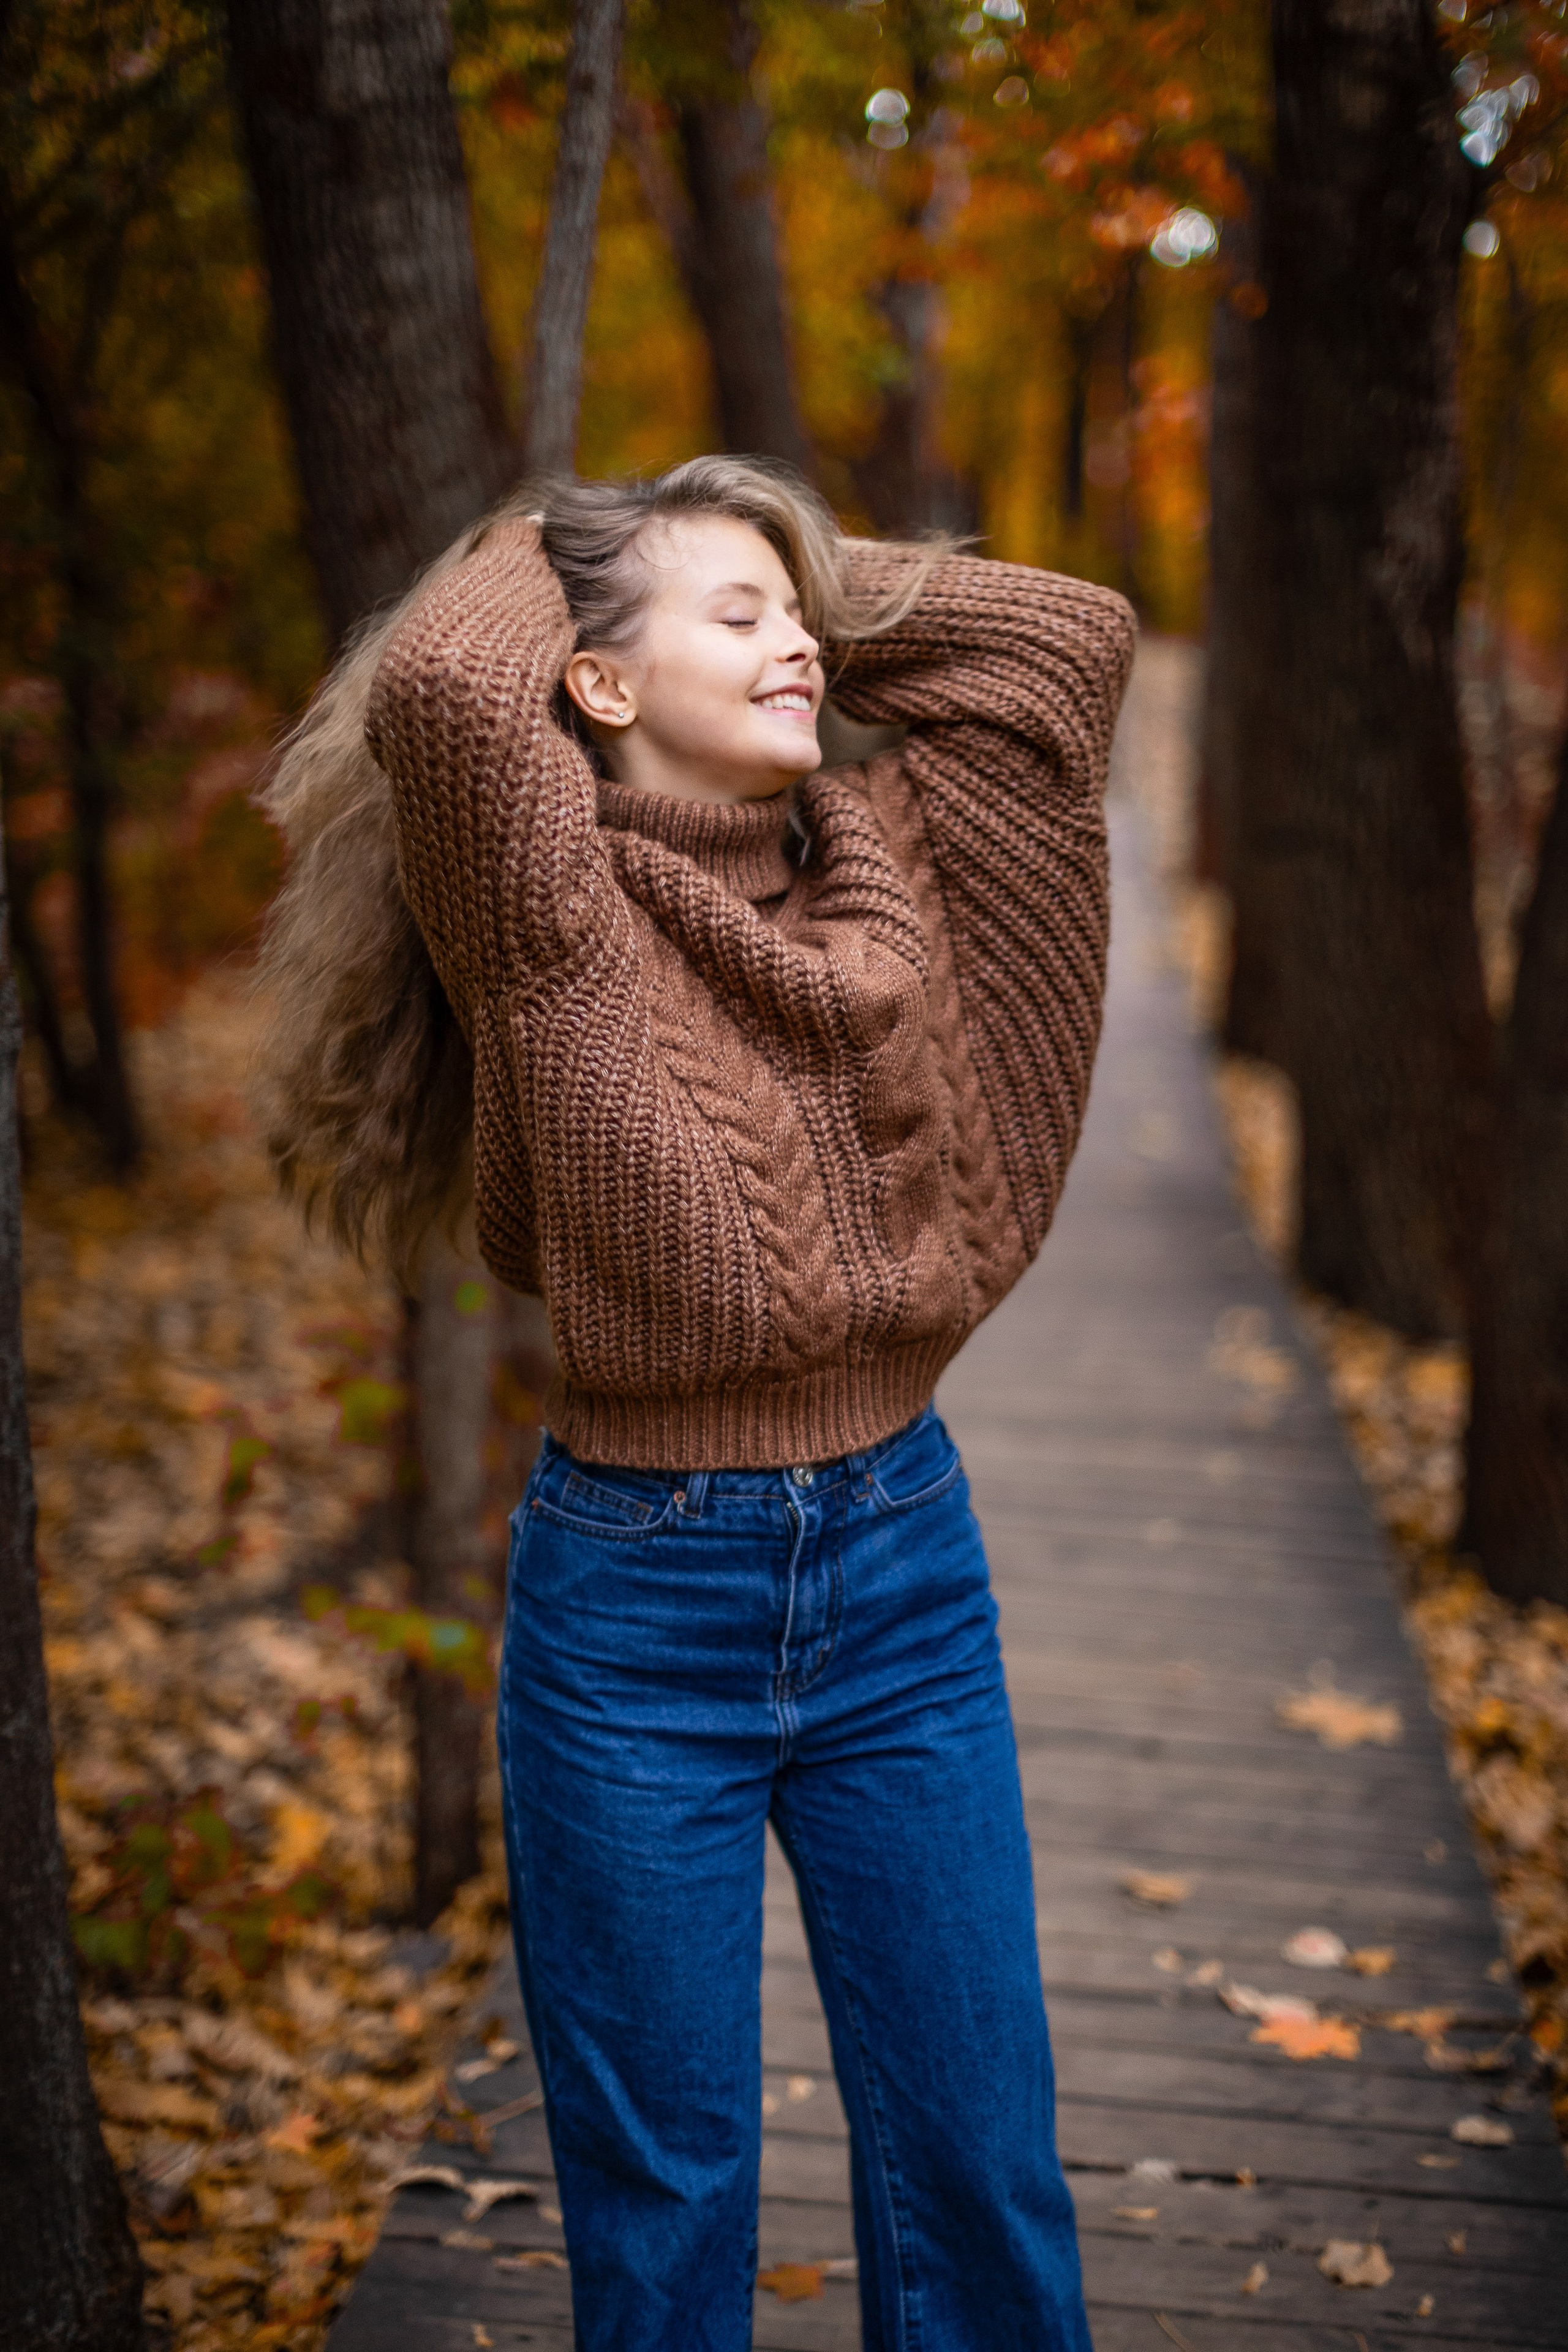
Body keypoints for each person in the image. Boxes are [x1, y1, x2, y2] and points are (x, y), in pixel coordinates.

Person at [255, 456, 1134, 2351]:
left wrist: (763, 559)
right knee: (666, 2204)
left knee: (979, 2168)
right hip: (637, 1614)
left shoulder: (895, 859)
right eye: (737, 621)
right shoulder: (549, 921)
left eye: (797, 614)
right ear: (588, 686)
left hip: (907, 1571)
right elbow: (438, 693)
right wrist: (558, 536)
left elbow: (1066, 644)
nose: (801, 641)